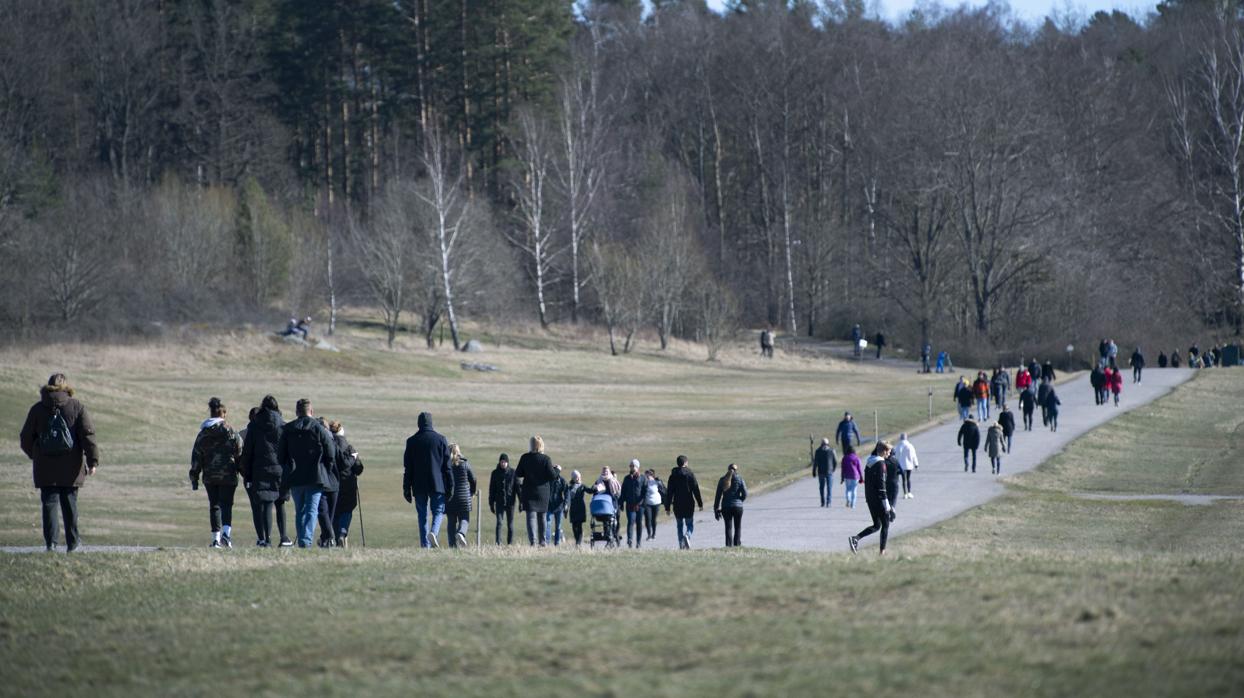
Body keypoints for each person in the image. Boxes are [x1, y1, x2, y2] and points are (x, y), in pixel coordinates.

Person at [20, 373, 100, 552]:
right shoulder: (76, 406)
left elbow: (25, 438)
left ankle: (51, 544)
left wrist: (36, 455)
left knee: (49, 504)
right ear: (66, 387)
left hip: (45, 467)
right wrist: (92, 461)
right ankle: (73, 544)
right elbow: (88, 435)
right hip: (71, 467)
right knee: (69, 504)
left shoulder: (38, 409)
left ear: (48, 387)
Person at [277, 398, 336, 548]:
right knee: (312, 510)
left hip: (295, 476)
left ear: (297, 412)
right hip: (315, 475)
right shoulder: (318, 428)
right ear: (311, 411)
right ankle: (305, 541)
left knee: (300, 511)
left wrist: (288, 468)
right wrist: (326, 469)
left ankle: (304, 540)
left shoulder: (288, 429)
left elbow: (280, 455)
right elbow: (330, 451)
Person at [189, 397, 243, 549]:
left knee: (214, 505)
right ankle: (227, 535)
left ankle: (216, 539)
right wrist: (242, 469)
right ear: (223, 414)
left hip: (210, 476)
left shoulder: (203, 433)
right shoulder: (231, 431)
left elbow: (196, 456)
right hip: (229, 474)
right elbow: (239, 450)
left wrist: (194, 476)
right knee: (227, 504)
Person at [240, 397, 291, 547]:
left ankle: (266, 539)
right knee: (280, 502)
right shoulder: (283, 425)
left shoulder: (255, 426)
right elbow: (289, 450)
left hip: (260, 470)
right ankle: (284, 537)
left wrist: (247, 473)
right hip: (280, 470)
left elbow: (248, 452)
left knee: (266, 504)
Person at [402, 412, 454, 549]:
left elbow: (408, 468)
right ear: (431, 423)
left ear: (418, 423)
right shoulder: (441, 440)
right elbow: (447, 467)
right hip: (437, 484)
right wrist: (451, 485)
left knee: (422, 515)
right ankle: (433, 533)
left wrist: (406, 488)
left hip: (418, 485)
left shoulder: (411, 441)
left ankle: (425, 545)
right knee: (438, 511)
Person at [848, 442, 894, 556]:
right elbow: (882, 485)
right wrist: (886, 504)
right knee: (885, 524)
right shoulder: (881, 464)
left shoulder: (870, 462)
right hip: (879, 499)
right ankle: (882, 552)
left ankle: (855, 539)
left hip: (870, 499)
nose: (889, 454)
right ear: (883, 451)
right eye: (888, 451)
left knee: (877, 525)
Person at [514, 435, 556, 547]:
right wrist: (557, 469)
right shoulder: (546, 459)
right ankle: (543, 541)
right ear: (541, 445)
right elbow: (553, 476)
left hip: (528, 491)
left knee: (531, 517)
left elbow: (518, 473)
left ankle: (533, 541)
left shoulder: (525, 457)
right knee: (542, 517)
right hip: (543, 492)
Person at [329, 421, 363, 548]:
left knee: (335, 511)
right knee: (347, 510)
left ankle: (336, 538)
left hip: (332, 484)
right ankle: (342, 534)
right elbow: (359, 469)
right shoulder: (349, 448)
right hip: (348, 486)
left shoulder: (329, 446)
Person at [315, 416, 342, 548]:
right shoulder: (334, 441)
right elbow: (342, 462)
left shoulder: (314, 442)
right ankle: (327, 539)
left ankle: (327, 539)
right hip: (334, 483)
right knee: (328, 515)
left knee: (323, 514)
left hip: (322, 482)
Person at [665, 455, 703, 549]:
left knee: (679, 525)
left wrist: (667, 507)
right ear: (685, 463)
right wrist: (700, 503)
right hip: (689, 503)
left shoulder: (672, 476)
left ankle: (681, 545)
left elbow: (669, 492)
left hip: (677, 504)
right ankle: (687, 535)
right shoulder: (690, 474)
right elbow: (696, 489)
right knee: (689, 524)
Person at [445, 443, 477, 548]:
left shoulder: (446, 465)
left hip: (450, 498)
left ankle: (452, 546)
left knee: (451, 522)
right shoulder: (465, 464)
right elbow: (473, 479)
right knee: (464, 518)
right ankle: (461, 533)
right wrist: (472, 492)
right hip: (464, 498)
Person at [713, 463, 748, 547]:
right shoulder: (740, 479)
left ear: (727, 469)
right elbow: (745, 494)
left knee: (728, 528)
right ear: (736, 470)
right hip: (738, 507)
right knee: (738, 527)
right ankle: (737, 545)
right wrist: (740, 500)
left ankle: (728, 546)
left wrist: (716, 509)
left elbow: (718, 496)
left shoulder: (722, 480)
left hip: (726, 507)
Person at [488, 454, 517, 545]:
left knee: (510, 524)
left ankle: (510, 543)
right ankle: (498, 543)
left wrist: (521, 502)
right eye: (502, 461)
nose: (503, 463)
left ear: (507, 462)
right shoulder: (495, 473)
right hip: (499, 502)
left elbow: (518, 488)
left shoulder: (513, 473)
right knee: (499, 523)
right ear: (499, 462)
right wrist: (491, 503)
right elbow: (492, 489)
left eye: (505, 462)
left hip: (510, 503)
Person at [619, 459, 646, 548]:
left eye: (633, 466)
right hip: (630, 505)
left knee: (639, 523)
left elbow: (645, 492)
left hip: (640, 505)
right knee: (630, 521)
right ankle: (630, 540)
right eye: (630, 466)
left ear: (637, 467)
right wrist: (621, 503)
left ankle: (638, 542)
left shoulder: (642, 478)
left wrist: (641, 502)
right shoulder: (627, 478)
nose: (631, 467)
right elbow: (623, 492)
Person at [566, 470, 589, 546]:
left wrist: (597, 487)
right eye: (576, 477)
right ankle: (577, 541)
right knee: (574, 526)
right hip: (573, 508)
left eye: (579, 476)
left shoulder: (582, 486)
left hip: (581, 508)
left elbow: (590, 491)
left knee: (579, 526)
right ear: (573, 478)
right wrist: (566, 507)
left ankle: (578, 543)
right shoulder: (569, 487)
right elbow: (568, 499)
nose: (578, 478)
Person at [812, 438, 837, 507]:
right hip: (829, 471)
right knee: (829, 487)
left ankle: (823, 502)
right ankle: (828, 502)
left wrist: (814, 471)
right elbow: (835, 461)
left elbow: (815, 463)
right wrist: (833, 469)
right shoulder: (832, 450)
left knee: (821, 487)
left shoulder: (818, 451)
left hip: (821, 472)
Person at [545, 464, 567, 546]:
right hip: (549, 506)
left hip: (559, 507)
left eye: (557, 470)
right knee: (548, 525)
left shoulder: (562, 481)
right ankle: (546, 542)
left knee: (558, 526)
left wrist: (566, 503)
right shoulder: (547, 480)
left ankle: (557, 543)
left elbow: (566, 493)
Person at [642, 469, 665, 540]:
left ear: (652, 475)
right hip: (647, 503)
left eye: (648, 474)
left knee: (653, 519)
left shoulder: (656, 482)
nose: (647, 476)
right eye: (646, 474)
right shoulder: (644, 482)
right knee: (648, 519)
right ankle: (649, 534)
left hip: (656, 503)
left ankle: (654, 534)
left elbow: (663, 490)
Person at [894, 433, 918, 499]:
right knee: (908, 479)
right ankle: (909, 492)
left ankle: (905, 494)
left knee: (903, 479)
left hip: (901, 465)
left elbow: (896, 456)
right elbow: (914, 456)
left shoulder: (898, 446)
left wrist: (895, 464)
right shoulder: (910, 445)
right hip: (909, 465)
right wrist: (916, 464)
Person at [840, 443, 862, 508]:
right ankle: (853, 504)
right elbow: (859, 468)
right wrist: (861, 477)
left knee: (848, 489)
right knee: (854, 490)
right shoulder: (856, 458)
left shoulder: (844, 458)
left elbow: (843, 468)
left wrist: (842, 477)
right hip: (855, 476)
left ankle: (848, 500)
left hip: (847, 476)